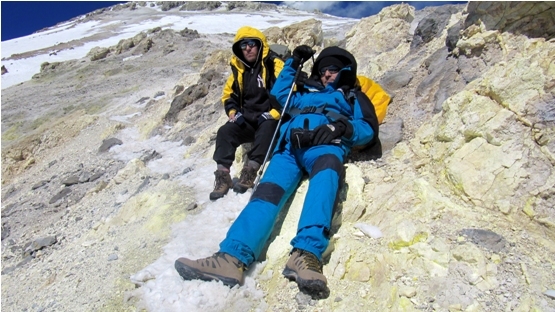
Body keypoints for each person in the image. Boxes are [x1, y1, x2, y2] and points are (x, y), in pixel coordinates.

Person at [175, 46, 380, 298]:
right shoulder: (303, 92)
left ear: (345, 72)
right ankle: (232, 257)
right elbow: (279, 94)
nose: (327, 74)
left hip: (326, 147)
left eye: (334, 70)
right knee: (265, 196)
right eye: (323, 69)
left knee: (324, 184)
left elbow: (368, 128)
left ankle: (306, 254)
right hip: (288, 151)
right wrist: (294, 62)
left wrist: (341, 128)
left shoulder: (352, 97)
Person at [210, 26, 284, 200]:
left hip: (270, 118)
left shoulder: (273, 64)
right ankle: (223, 177)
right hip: (248, 120)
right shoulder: (239, 69)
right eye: (243, 46)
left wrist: (275, 113)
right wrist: (233, 112)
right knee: (225, 131)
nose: (248, 48)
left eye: (251, 44)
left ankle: (250, 171)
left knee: (267, 127)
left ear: (260, 46)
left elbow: (287, 91)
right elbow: (228, 95)